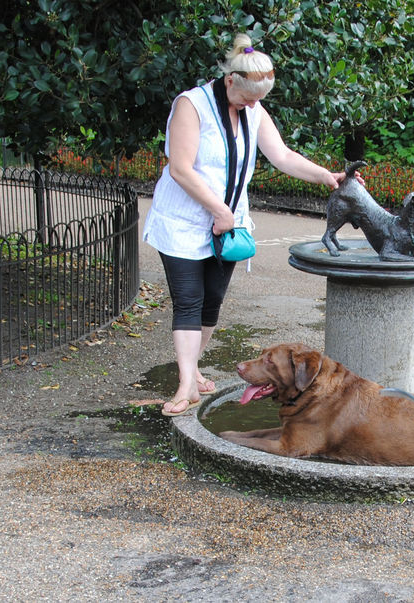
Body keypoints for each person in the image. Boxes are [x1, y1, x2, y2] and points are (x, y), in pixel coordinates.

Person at [142, 33, 349, 417]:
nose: (254, 105)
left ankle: (193, 367)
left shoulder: (253, 108)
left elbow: (282, 155)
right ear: (229, 80)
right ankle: (186, 384)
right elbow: (180, 169)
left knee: (211, 303)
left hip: (228, 225)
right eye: (249, 97)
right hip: (185, 223)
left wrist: (325, 176)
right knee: (188, 302)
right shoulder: (192, 105)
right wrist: (219, 209)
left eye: (260, 99)